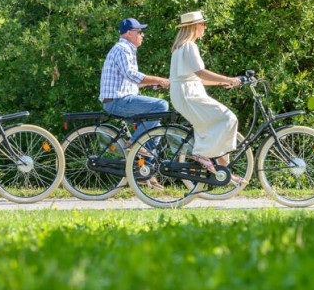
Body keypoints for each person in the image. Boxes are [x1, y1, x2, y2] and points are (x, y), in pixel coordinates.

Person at [169, 10, 246, 185]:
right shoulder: (189, 46)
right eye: (202, 24)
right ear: (194, 26)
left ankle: (223, 170)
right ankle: (201, 154)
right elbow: (200, 72)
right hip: (189, 94)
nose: (205, 27)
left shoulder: (180, 48)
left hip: (186, 93)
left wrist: (221, 83)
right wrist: (229, 79)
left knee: (214, 126)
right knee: (228, 117)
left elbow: (193, 78)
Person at [99, 17, 171, 144]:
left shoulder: (125, 49)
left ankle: (146, 161)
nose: (142, 35)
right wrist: (159, 79)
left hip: (118, 100)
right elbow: (131, 74)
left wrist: (154, 83)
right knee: (161, 105)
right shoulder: (123, 48)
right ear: (129, 33)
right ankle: (134, 143)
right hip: (117, 101)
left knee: (155, 126)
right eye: (139, 32)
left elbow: (130, 81)